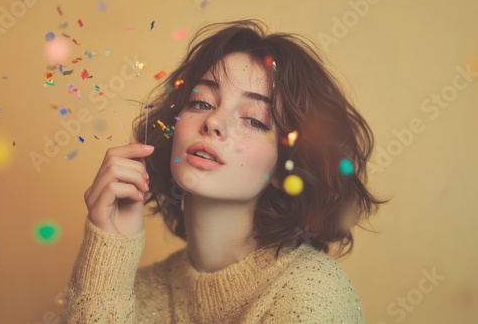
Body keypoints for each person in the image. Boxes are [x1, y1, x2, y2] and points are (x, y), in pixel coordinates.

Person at [61, 19, 385, 323]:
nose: (213, 122)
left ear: (286, 168)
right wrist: (109, 254)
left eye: (255, 120)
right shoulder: (134, 292)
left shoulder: (313, 292)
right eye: (201, 102)